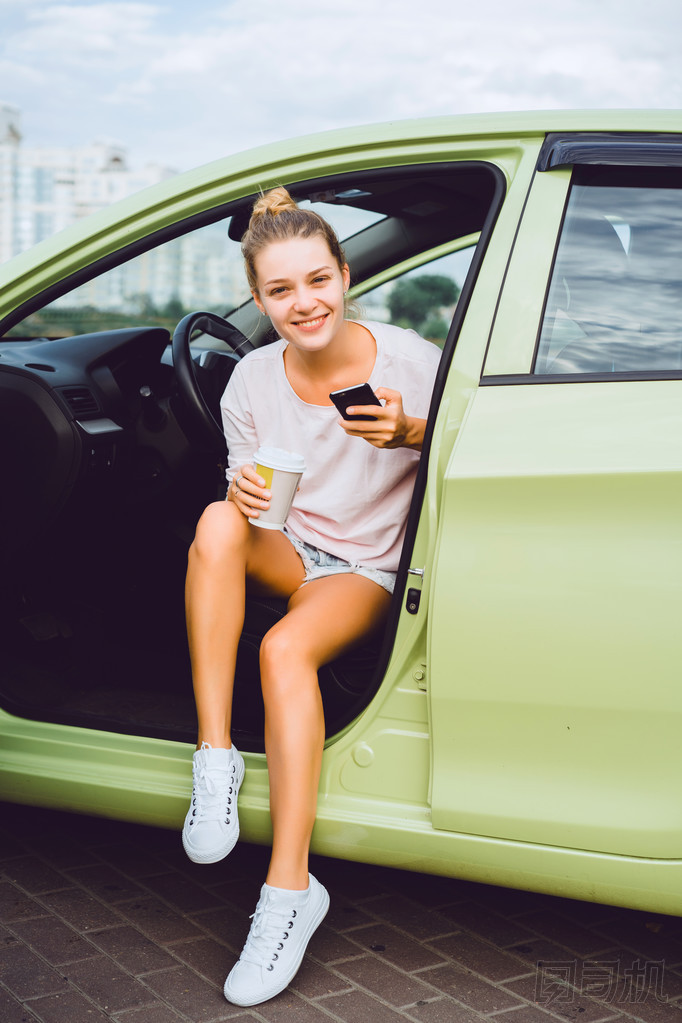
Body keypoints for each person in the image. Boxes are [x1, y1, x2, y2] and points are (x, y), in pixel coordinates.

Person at [182, 186, 440, 1007]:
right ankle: (215, 756)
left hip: (361, 568)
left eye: (317, 280)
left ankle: (289, 893)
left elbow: (474, 452)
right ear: (258, 300)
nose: (304, 303)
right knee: (217, 522)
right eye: (280, 290)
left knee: (283, 648)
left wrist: (410, 434)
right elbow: (254, 494)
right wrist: (251, 502)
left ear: (345, 274)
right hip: (291, 548)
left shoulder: (411, 363)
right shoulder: (252, 379)